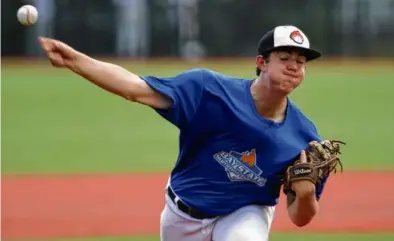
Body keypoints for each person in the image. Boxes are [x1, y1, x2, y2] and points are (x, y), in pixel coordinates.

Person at [38, 25, 329, 241]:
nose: (294, 66)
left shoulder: (305, 137)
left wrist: (304, 197)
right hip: (182, 214)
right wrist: (74, 61)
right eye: (285, 57)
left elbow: (300, 218)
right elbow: (135, 89)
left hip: (245, 212)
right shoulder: (207, 89)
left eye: (301, 62)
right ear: (261, 63)